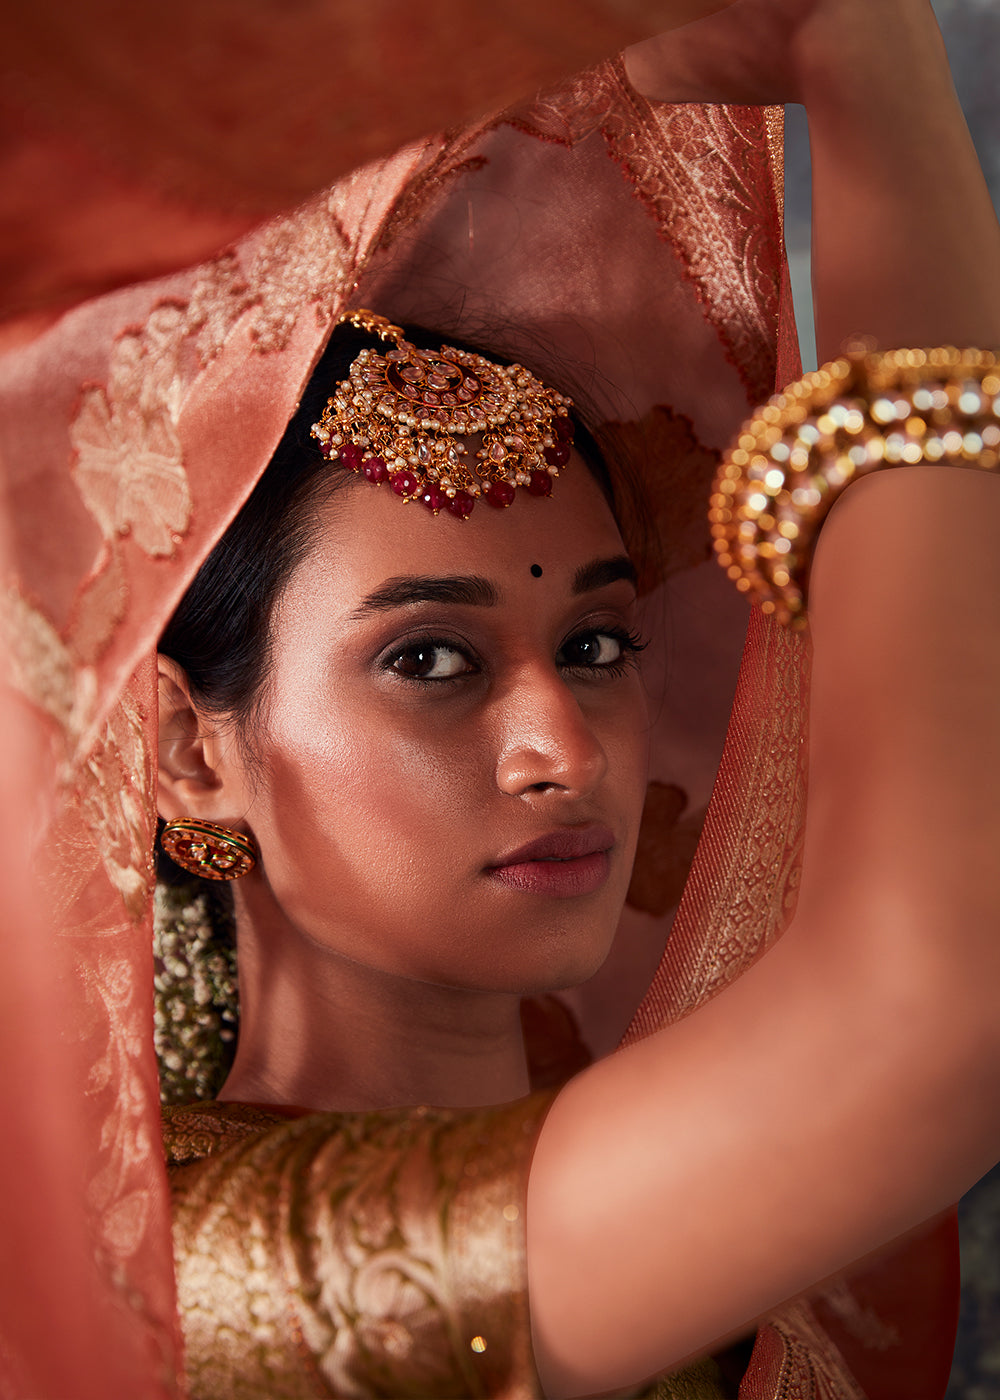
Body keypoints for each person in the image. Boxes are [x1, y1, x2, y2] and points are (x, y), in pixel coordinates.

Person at [0, 0, 998, 1396]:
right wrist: (867, 67)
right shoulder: (174, 1273)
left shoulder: (727, 1256)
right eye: (430, 661)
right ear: (188, 751)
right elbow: (926, 1010)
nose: (561, 748)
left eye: (594, 643)